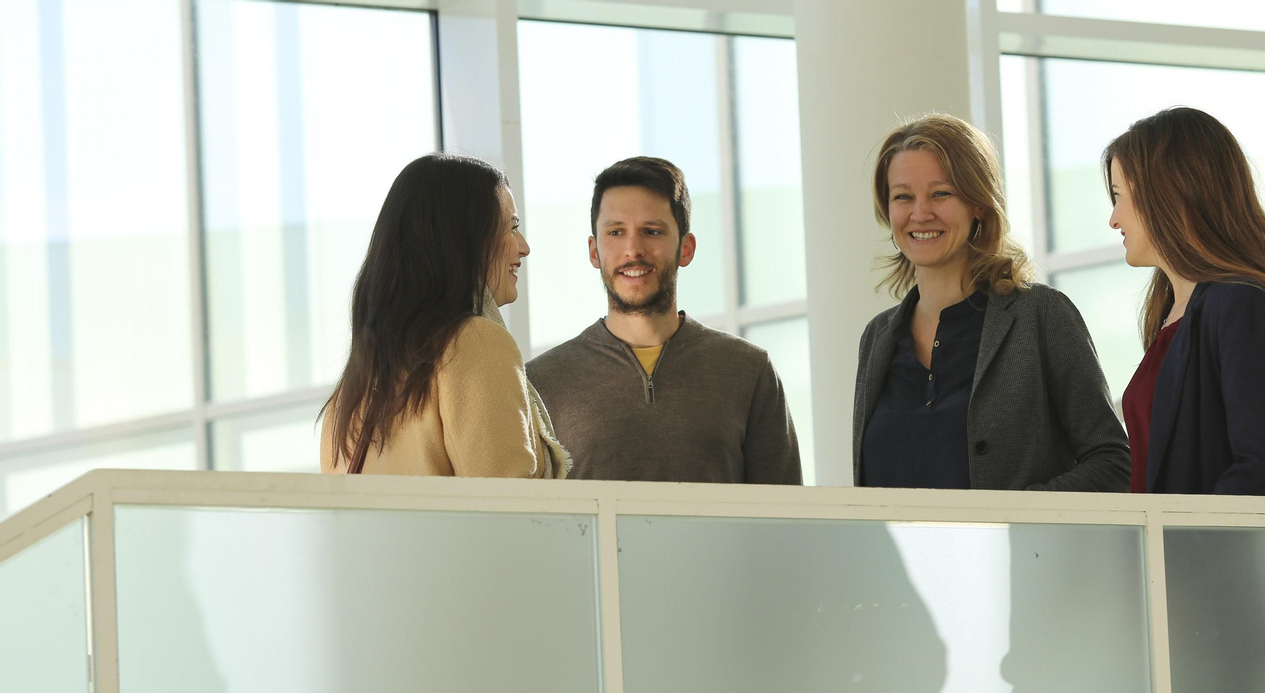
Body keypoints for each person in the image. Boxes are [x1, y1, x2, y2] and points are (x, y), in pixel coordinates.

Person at [854, 114, 1130, 492]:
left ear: (978, 204)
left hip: (1022, 552)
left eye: (941, 193)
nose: (920, 213)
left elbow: (1114, 463)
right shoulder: (877, 339)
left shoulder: (1041, 316)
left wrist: (1014, 520)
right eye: (903, 196)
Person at [526, 156, 803, 484]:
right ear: (594, 251)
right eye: (616, 232)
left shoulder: (749, 371)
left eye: (652, 231)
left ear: (686, 248)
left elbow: (785, 517)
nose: (633, 249)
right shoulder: (541, 382)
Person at [1104, 106, 1265, 496]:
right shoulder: (1171, 317)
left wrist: (1186, 546)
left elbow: (1262, 473)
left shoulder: (1242, 305)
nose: (1114, 219)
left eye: (1119, 196)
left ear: (1168, 194)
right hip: (1168, 552)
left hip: (1210, 555)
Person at [321, 153, 569, 478]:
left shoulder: (350, 396)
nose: (523, 247)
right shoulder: (474, 343)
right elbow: (511, 510)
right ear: (463, 239)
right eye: (510, 228)